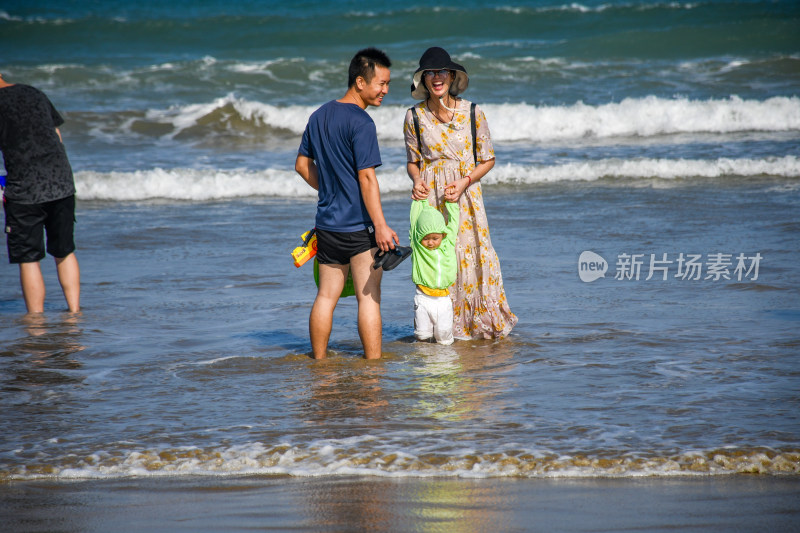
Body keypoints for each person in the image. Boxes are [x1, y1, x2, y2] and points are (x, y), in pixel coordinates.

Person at [404, 47, 516, 339]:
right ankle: (437, 325)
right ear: (423, 79)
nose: (437, 78)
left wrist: (465, 181)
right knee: (435, 256)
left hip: (465, 195)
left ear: (452, 76)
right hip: (431, 199)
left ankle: (471, 325)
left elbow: (488, 159)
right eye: (431, 73)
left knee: (471, 254)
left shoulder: (473, 112)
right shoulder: (413, 116)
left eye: (442, 72)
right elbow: (413, 162)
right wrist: (416, 180)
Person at [295, 48, 398, 360]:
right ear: (360, 81)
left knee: (326, 296)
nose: (385, 90)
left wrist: (330, 189)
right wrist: (380, 226)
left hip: (326, 224)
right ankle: (374, 366)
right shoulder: (362, 122)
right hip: (358, 227)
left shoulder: (319, 115)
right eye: (381, 83)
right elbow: (367, 178)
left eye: (388, 83)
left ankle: (319, 362)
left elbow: (302, 165)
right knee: (369, 299)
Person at [0, 73, 80, 314]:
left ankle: (36, 321)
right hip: (61, 180)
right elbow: (56, 135)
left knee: (28, 258)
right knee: (64, 251)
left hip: (25, 187)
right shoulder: (33, 92)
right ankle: (75, 313)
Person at [409, 199, 459, 345]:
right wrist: (419, 201)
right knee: (422, 335)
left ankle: (443, 362)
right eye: (426, 239)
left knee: (444, 337)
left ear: (442, 235)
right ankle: (424, 363)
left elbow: (454, 223)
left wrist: (451, 205)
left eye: (435, 238)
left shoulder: (448, 243)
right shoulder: (418, 248)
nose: (430, 242)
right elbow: (413, 223)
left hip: (443, 299)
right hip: (423, 298)